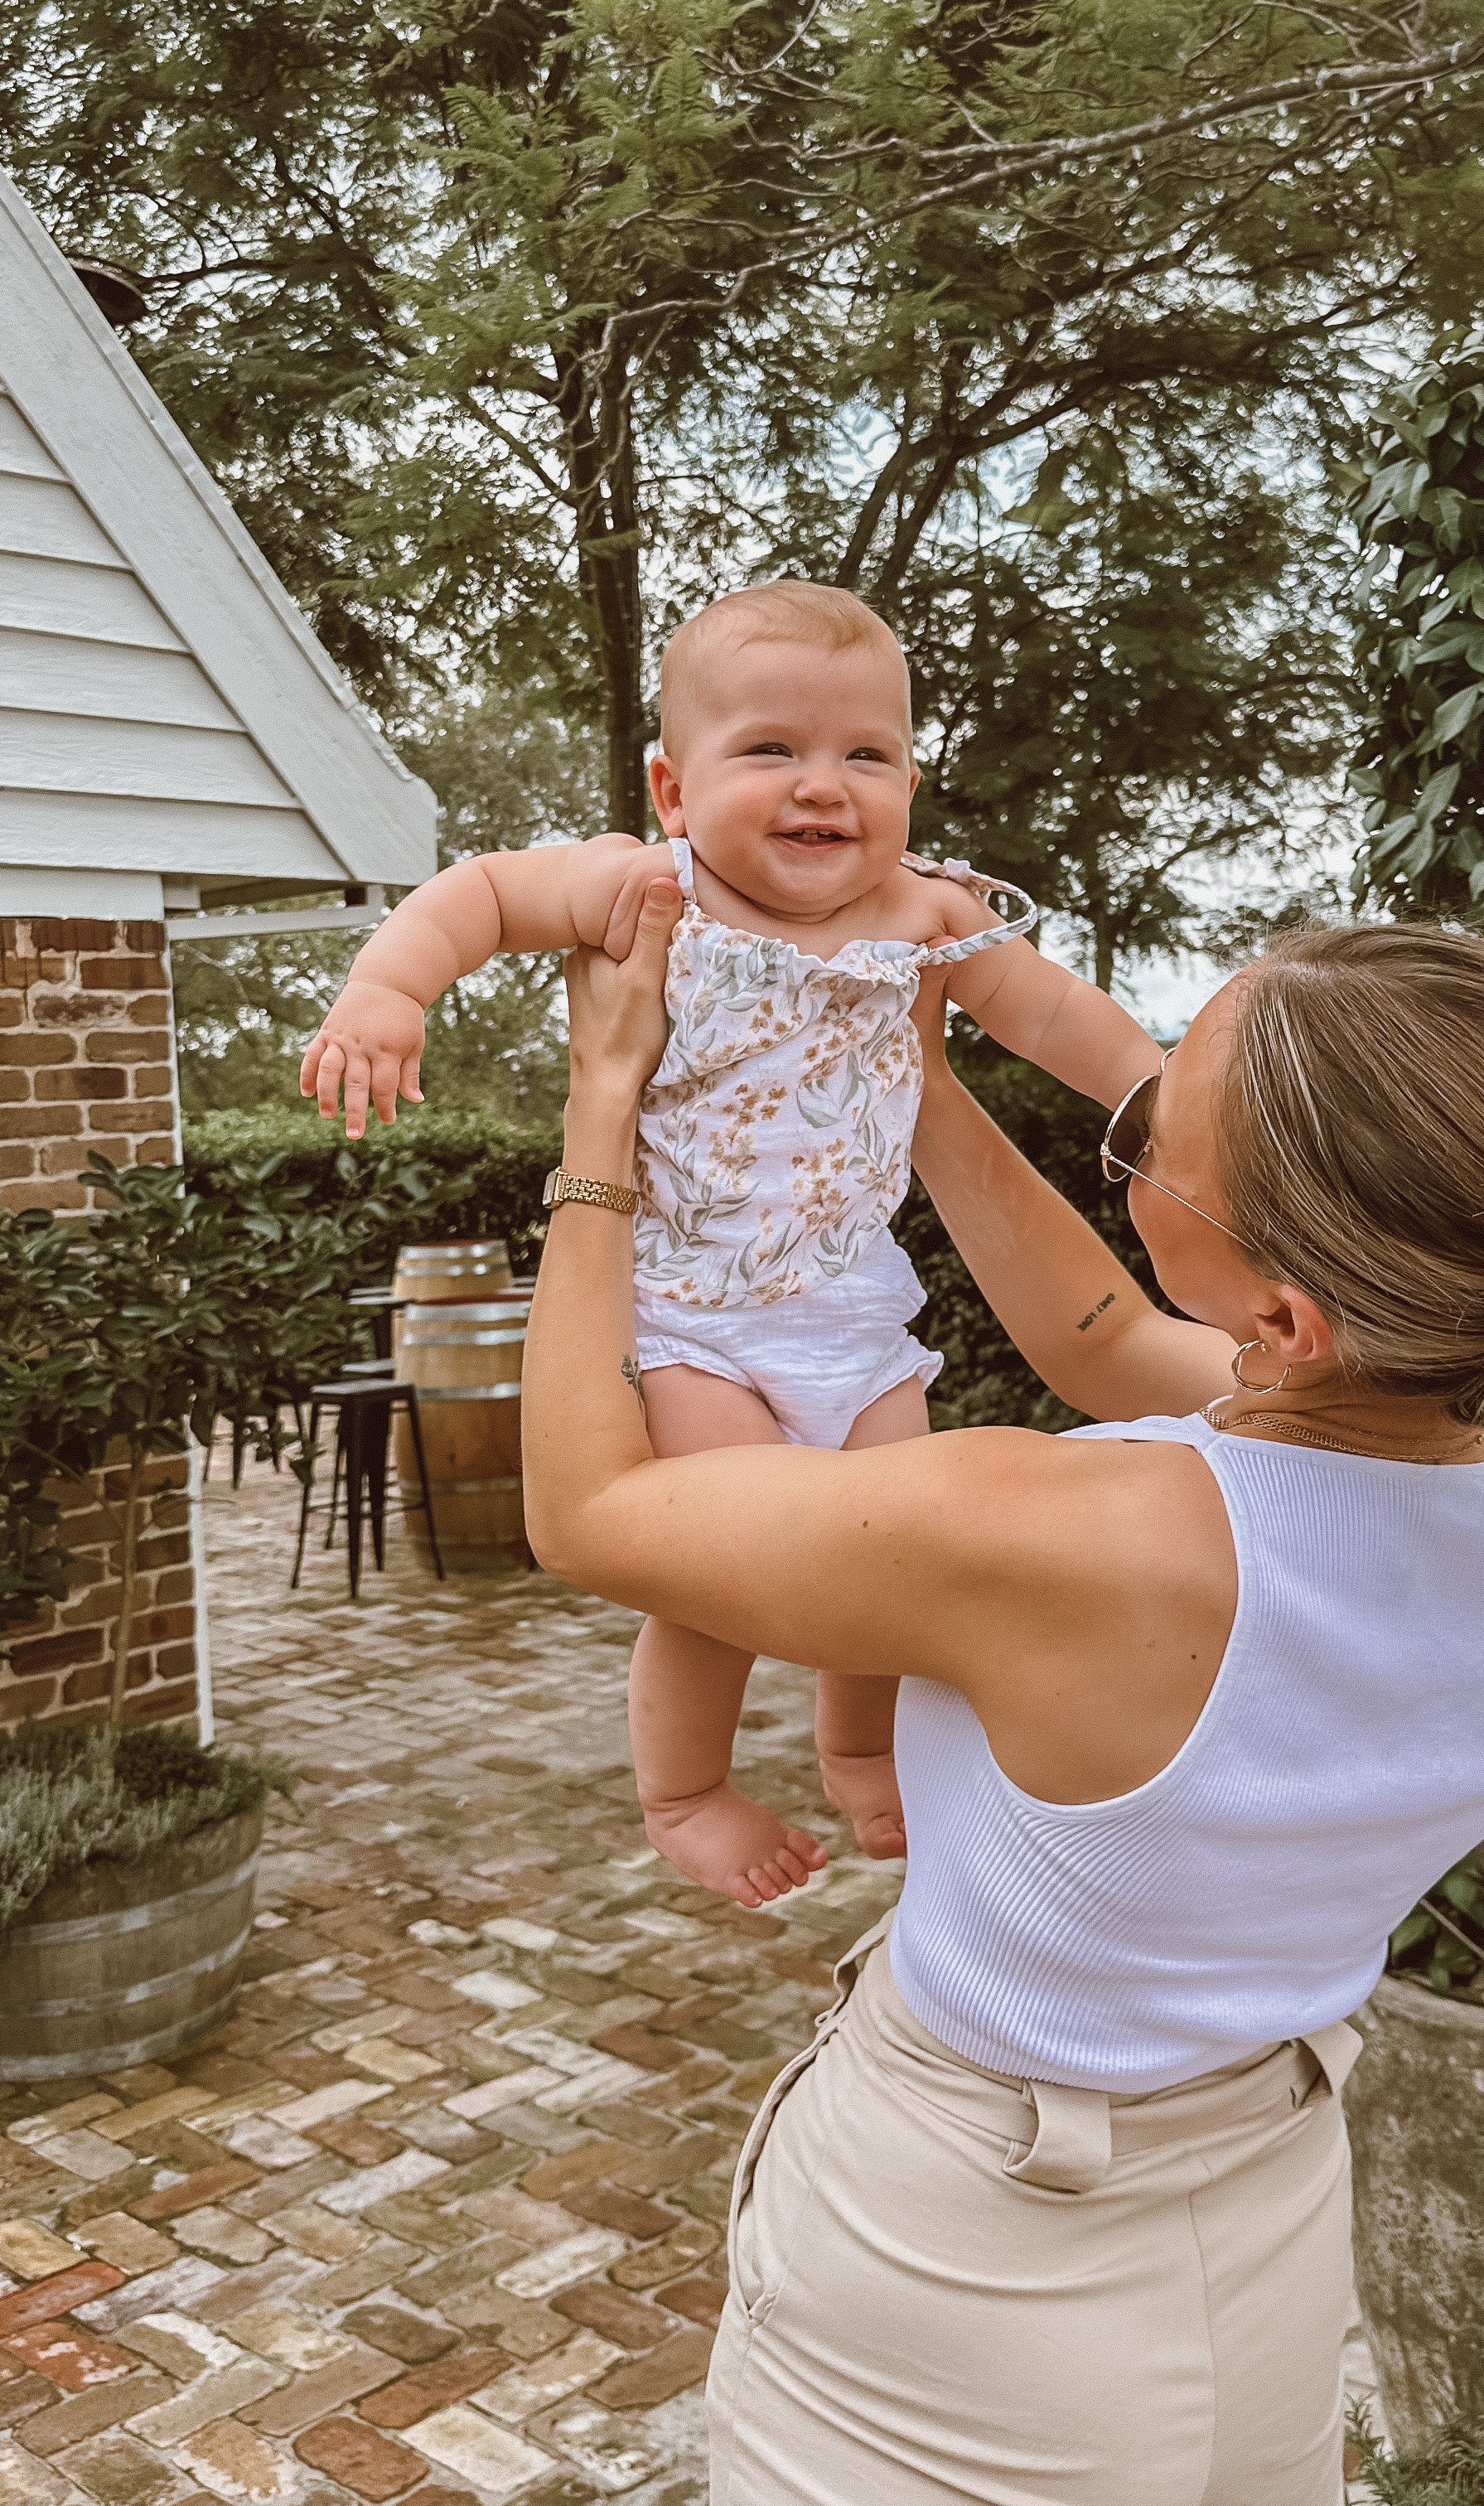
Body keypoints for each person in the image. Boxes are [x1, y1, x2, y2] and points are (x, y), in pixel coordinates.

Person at [522, 880, 1484, 2504]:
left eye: (1153, 1145)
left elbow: (589, 1515)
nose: (1132, 1142)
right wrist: (917, 1089)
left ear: (1287, 1320)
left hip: (970, 2269)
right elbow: (1106, 1338)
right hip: (1267, 2201)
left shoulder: (1073, 1543)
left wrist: (602, 1110)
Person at [298, 581, 1157, 1908]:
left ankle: (858, 1749)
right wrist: (387, 989)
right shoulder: (648, 889)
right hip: (696, 1311)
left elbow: (1056, 1021)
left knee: (898, 1555)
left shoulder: (925, 916)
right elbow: (475, 893)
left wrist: (1164, 1098)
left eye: (865, 755)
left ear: (911, 784)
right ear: (674, 785)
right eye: (772, 750)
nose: (824, 786)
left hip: (852, 1313)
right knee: (719, 1571)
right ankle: (686, 1789)